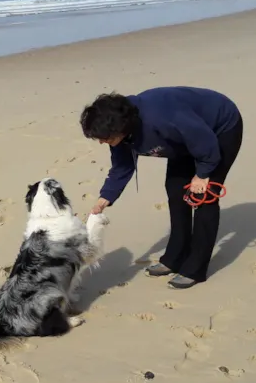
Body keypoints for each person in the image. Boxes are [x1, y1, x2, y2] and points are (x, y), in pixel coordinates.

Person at [79, 86, 244, 289]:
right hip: (182, 141)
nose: (103, 142)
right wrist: (105, 198)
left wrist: (202, 175)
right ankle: (175, 256)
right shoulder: (119, 135)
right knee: (176, 190)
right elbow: (122, 167)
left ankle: (196, 268)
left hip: (219, 128)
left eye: (106, 138)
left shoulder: (163, 116)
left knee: (204, 197)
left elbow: (204, 141)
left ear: (121, 127)